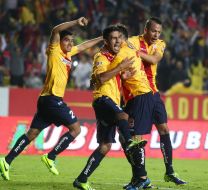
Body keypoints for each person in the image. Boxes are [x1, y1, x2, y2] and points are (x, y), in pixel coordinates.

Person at [0, 17, 103, 180]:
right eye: (67, 40)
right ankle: (51, 156)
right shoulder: (54, 50)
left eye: (71, 41)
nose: (70, 43)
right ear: (60, 41)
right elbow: (55, 30)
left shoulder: (69, 54)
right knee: (76, 129)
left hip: (45, 99)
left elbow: (83, 45)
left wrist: (102, 38)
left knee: (32, 133)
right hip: (53, 99)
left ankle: (6, 161)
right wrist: (76, 22)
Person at [73, 25, 147, 190]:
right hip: (103, 99)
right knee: (123, 117)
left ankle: (82, 179)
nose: (117, 41)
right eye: (113, 38)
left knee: (105, 146)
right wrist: (120, 68)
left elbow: (111, 77)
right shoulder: (101, 56)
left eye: (119, 37)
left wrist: (125, 74)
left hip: (110, 101)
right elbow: (101, 78)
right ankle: (129, 142)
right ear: (106, 41)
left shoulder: (115, 58)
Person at [124, 17, 187, 189]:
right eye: (153, 31)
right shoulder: (132, 41)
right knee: (136, 137)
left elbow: (154, 59)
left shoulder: (160, 44)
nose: (156, 35)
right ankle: (139, 178)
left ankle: (170, 171)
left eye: (159, 32)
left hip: (153, 93)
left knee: (164, 129)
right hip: (137, 93)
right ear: (145, 29)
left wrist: (135, 52)